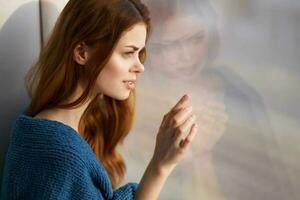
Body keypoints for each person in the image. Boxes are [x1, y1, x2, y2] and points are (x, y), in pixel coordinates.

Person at [0, 0, 198, 199]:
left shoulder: (72, 130)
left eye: (140, 53)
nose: (140, 66)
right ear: (82, 53)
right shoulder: (58, 155)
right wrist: (160, 166)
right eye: (128, 53)